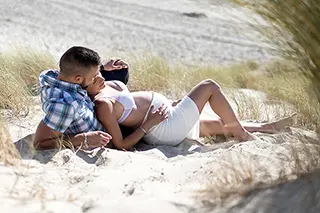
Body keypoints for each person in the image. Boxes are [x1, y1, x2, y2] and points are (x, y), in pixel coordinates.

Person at [85, 71, 295, 150]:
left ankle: (267, 127)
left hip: (164, 119)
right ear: (84, 85)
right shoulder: (103, 104)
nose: (101, 77)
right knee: (209, 85)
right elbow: (121, 144)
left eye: (98, 71)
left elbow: (134, 107)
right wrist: (149, 124)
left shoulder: (103, 85)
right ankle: (242, 135)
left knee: (214, 126)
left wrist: (166, 104)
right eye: (95, 78)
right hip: (163, 128)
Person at [33, 46, 129, 150]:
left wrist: (101, 67)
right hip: (108, 131)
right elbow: (40, 143)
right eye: (95, 76)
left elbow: (77, 71)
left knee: (120, 72)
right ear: (78, 79)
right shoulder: (65, 105)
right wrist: (84, 138)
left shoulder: (52, 76)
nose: (99, 77)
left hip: (88, 103)